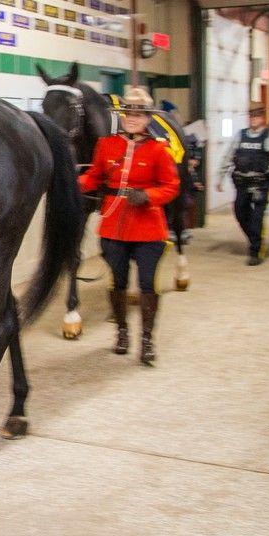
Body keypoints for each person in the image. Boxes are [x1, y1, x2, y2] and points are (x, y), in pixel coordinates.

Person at [78, 86, 180, 365]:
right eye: (128, 113)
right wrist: (73, 186)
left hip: (147, 227)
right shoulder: (107, 145)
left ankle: (147, 340)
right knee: (118, 281)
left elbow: (171, 186)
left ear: (148, 118)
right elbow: (95, 176)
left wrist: (148, 195)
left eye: (138, 114)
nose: (132, 118)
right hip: (114, 226)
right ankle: (122, 332)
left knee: (147, 284)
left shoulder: (159, 150)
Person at [216, 102, 269, 265]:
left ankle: (255, 251)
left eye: (257, 116)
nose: (253, 119)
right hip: (242, 183)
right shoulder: (240, 136)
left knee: (257, 218)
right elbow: (228, 157)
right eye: (251, 115)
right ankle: (255, 238)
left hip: (260, 184)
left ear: (263, 118)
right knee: (240, 212)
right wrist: (219, 178)